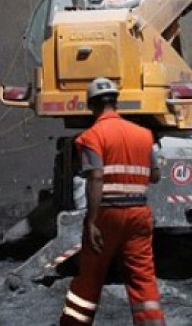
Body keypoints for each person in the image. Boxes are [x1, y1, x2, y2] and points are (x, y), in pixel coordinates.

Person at [59, 78, 165, 326]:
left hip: (107, 215)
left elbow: (96, 177)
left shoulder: (91, 137)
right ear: (116, 102)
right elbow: (156, 175)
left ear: (91, 105)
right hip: (139, 213)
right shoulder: (145, 135)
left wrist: (91, 221)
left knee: (90, 277)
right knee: (143, 278)